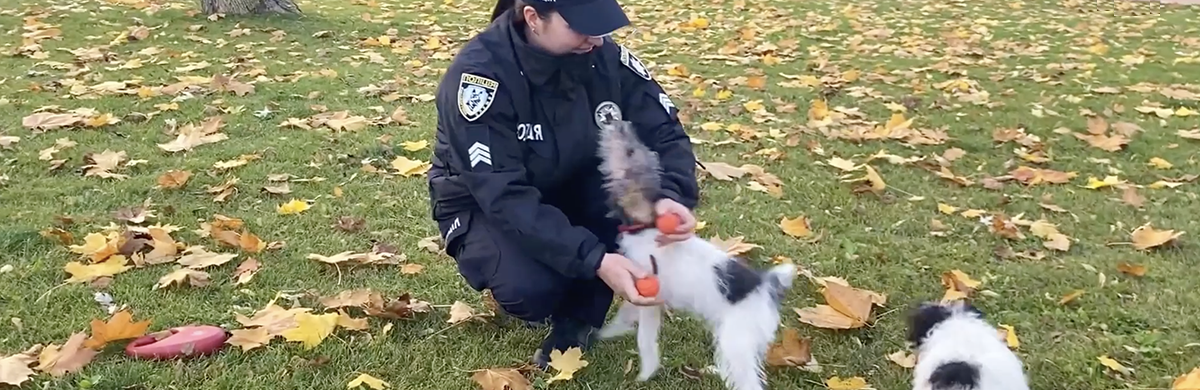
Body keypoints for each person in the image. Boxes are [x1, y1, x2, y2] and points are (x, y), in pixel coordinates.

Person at [425, 0, 700, 369]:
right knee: (532, 290)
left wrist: (670, 196)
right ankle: (562, 281)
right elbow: (504, 196)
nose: (597, 39)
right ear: (534, 18)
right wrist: (595, 258)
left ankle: (579, 318)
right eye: (581, 27)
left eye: (601, 25)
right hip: (482, 202)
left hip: (574, 183)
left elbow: (664, 130)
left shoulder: (607, 59)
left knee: (627, 197)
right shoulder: (480, 79)